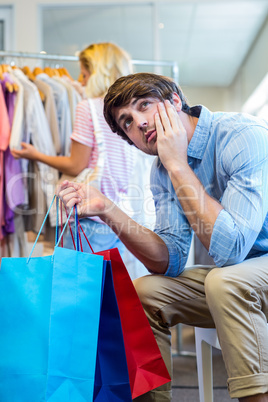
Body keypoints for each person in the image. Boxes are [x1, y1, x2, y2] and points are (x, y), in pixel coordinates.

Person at [57, 72, 268, 402]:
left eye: (145, 106)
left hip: (248, 272)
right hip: (239, 278)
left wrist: (177, 164)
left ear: (174, 102)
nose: (139, 123)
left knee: (224, 281)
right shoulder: (161, 171)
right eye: (127, 121)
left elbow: (232, 251)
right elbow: (168, 261)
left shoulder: (242, 136)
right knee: (144, 290)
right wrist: (108, 210)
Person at [11, 42, 135, 253]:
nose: (79, 81)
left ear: (97, 74)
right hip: (119, 216)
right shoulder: (131, 110)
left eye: (84, 75)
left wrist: (36, 155)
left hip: (90, 216)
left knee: (74, 283)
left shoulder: (89, 107)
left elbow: (76, 165)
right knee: (108, 283)